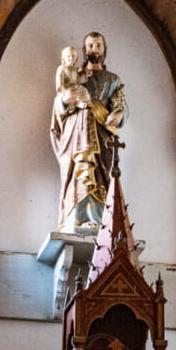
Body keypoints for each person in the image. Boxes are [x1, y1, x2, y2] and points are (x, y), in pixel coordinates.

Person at [50, 31, 127, 233]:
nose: (95, 50)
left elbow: (121, 103)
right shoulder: (73, 75)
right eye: (91, 46)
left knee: (102, 174)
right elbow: (59, 103)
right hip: (77, 132)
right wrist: (65, 100)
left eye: (99, 45)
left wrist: (119, 113)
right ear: (85, 51)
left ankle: (102, 219)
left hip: (102, 136)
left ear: (105, 49)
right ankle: (76, 217)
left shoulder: (113, 80)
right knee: (80, 171)